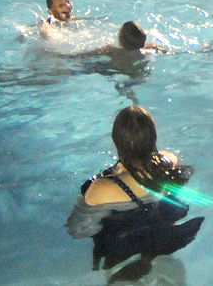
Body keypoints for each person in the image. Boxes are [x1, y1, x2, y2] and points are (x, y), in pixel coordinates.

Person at [66, 106, 203, 273]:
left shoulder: (101, 189)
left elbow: (78, 230)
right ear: (154, 138)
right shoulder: (170, 161)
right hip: (167, 240)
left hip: (123, 255)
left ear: (114, 142)